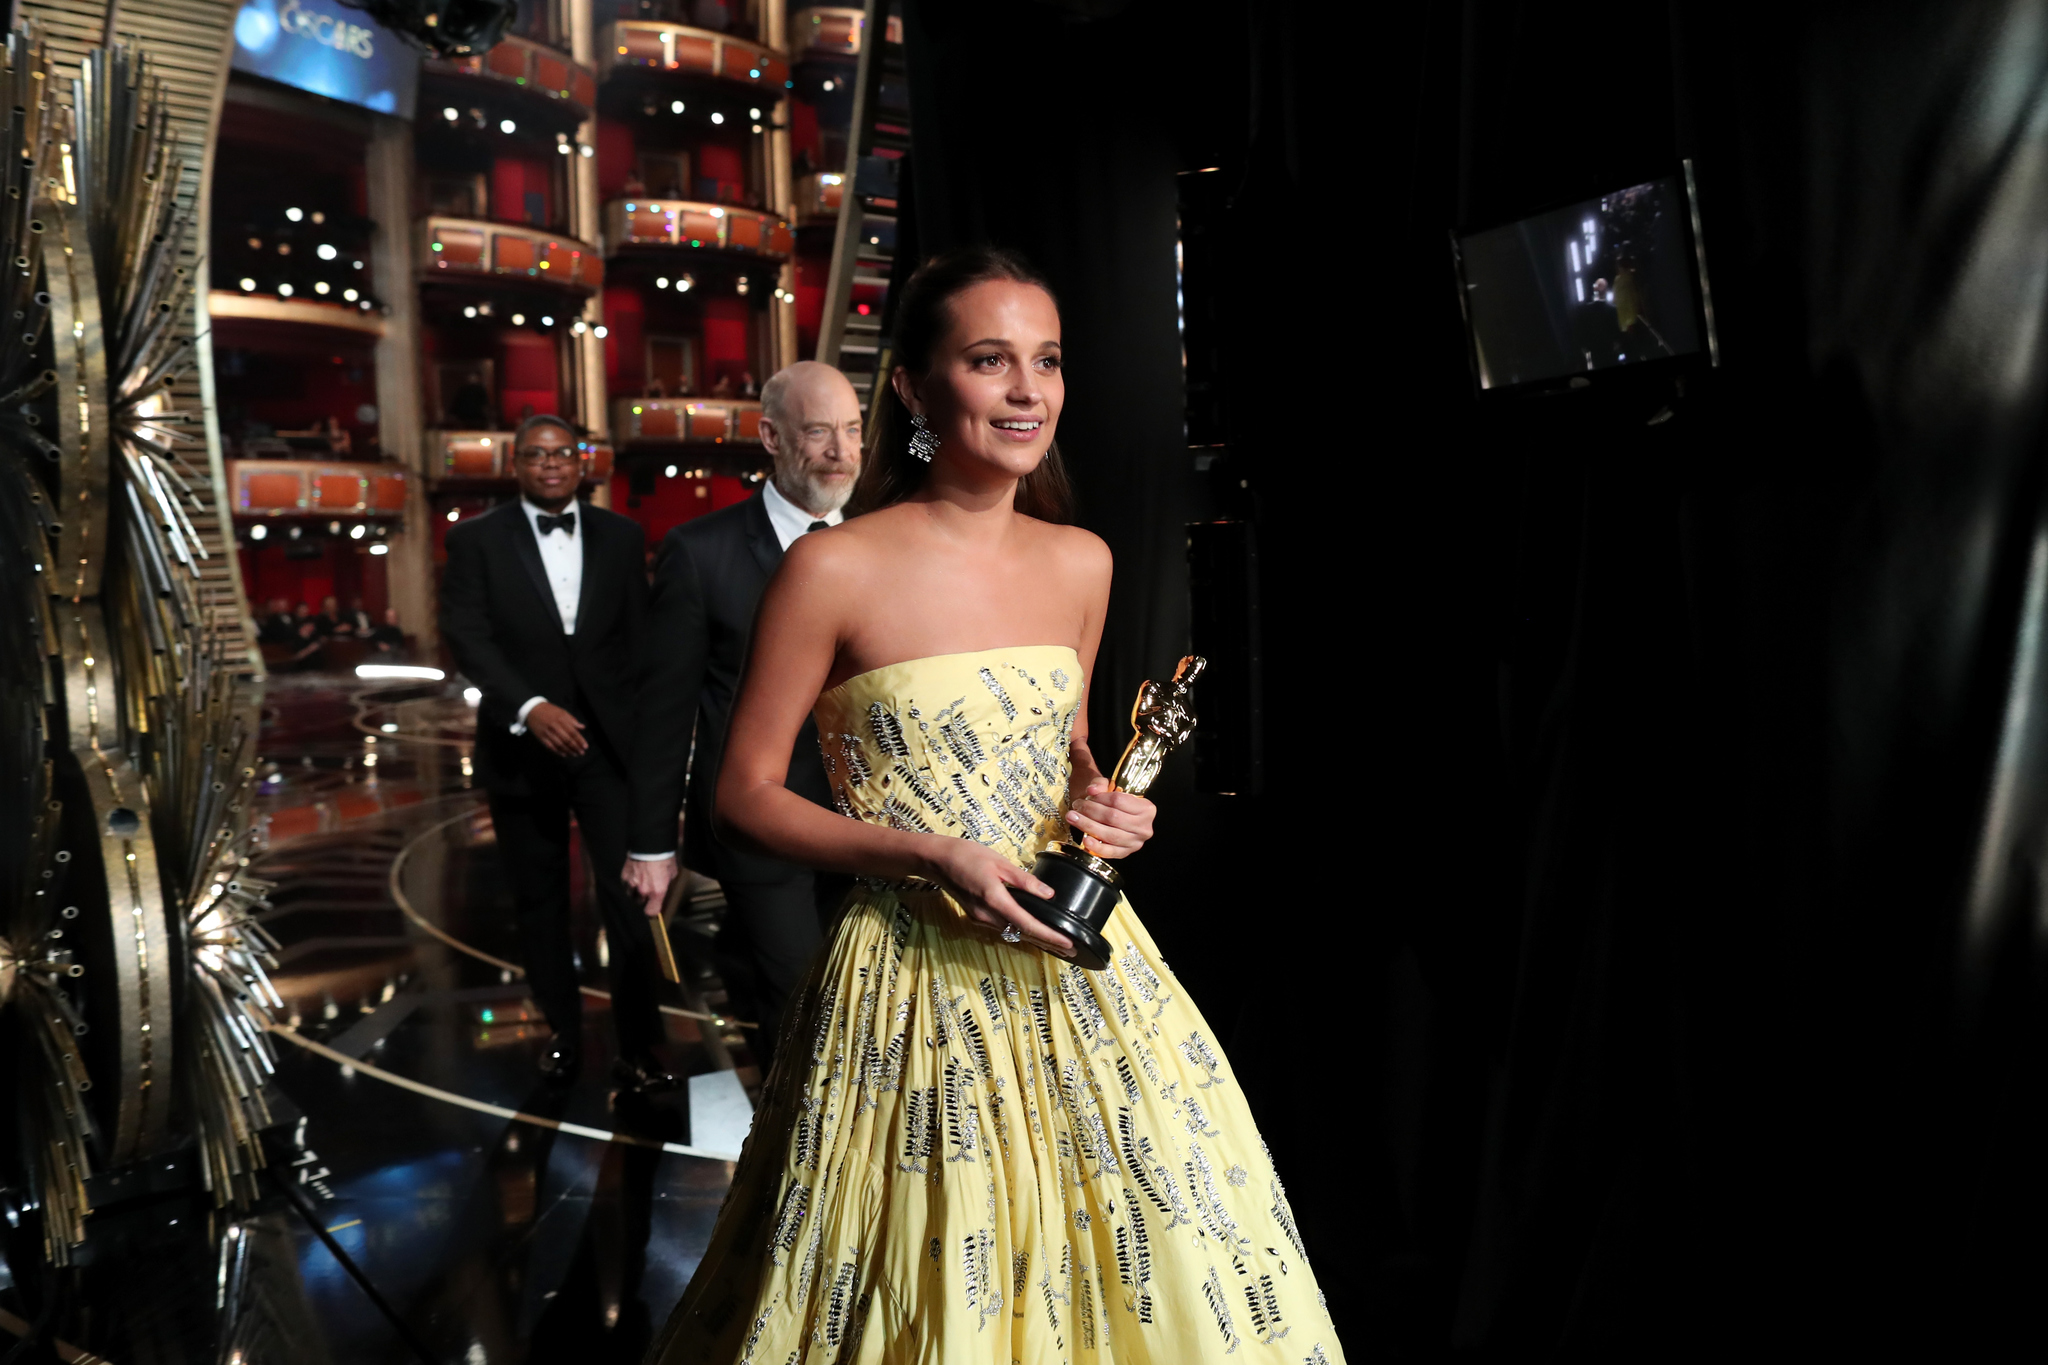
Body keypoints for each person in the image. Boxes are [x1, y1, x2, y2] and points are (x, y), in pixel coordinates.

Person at [649, 249, 1343, 1362]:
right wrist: (929, 856)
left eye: (1046, 362)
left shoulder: (1081, 562)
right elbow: (739, 800)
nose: (1028, 391)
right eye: (989, 360)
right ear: (916, 392)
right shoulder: (831, 570)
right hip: (908, 984)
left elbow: (1068, 752)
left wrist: (1108, 810)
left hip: (1081, 972)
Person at [623, 361, 863, 1071]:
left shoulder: (886, 537)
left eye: (852, 431)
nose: (840, 452)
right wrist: (649, 842)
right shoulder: (701, 553)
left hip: (874, 821)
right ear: (770, 436)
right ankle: (800, 1161)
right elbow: (665, 708)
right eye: (818, 431)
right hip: (763, 827)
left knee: (867, 1005)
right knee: (800, 1010)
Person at [439, 414, 677, 1093]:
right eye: (535, 455)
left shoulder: (623, 536)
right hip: (522, 749)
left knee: (631, 895)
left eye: (562, 454)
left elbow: (639, 640)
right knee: (538, 900)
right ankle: (562, 1033)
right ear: (515, 464)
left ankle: (642, 1041)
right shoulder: (476, 540)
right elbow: (467, 635)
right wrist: (528, 706)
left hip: (608, 748)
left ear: (582, 463)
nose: (549, 465)